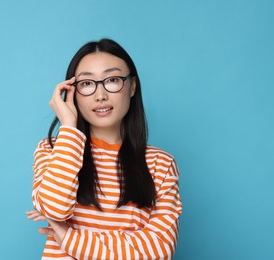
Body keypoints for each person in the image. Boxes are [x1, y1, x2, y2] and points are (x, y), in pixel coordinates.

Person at [26, 38, 182, 259]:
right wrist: (69, 127)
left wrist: (69, 238)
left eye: (112, 80)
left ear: (132, 87)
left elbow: (158, 250)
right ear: (71, 92)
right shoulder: (53, 150)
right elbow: (55, 208)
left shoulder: (161, 164)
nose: (100, 95)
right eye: (87, 84)